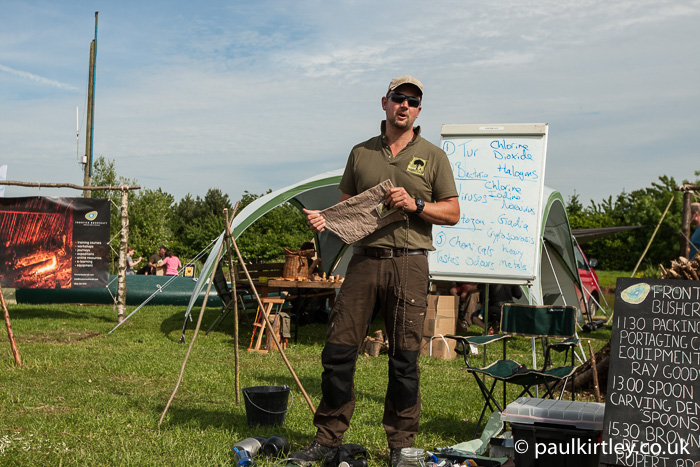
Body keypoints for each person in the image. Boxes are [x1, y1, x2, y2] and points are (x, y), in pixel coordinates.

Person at [295, 75, 460, 466]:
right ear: (384, 103)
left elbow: (452, 212)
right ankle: (327, 440)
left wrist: (416, 205)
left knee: (404, 359)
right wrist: (324, 221)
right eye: (399, 98)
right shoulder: (361, 153)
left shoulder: (433, 156)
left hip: (409, 263)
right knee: (337, 351)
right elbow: (346, 209)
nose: (405, 105)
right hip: (365, 262)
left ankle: (402, 446)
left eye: (413, 101)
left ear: (419, 110)